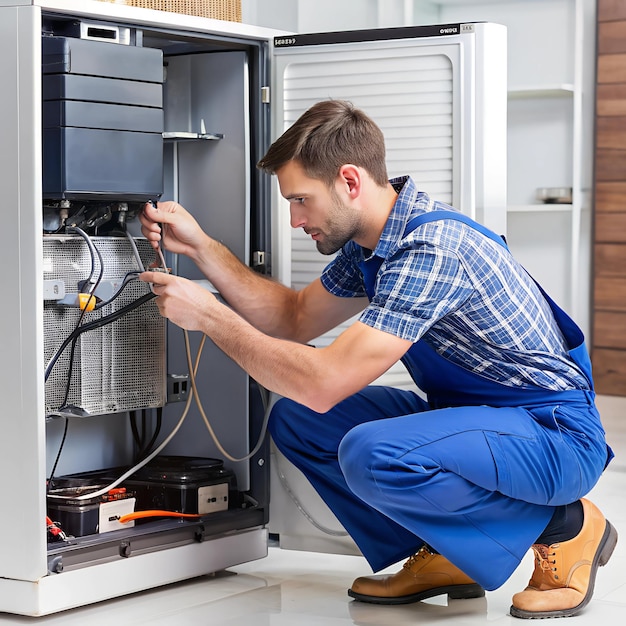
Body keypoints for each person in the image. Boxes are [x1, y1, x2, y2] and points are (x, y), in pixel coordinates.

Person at [139, 99, 617, 619]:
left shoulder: (431, 250)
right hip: (483, 424)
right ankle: (451, 550)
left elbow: (325, 381)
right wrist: (203, 248)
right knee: (299, 421)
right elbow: (293, 317)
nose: (296, 220)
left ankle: (568, 526)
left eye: (301, 200)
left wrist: (210, 317)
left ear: (349, 180)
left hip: (552, 435)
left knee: (373, 451)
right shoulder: (374, 247)